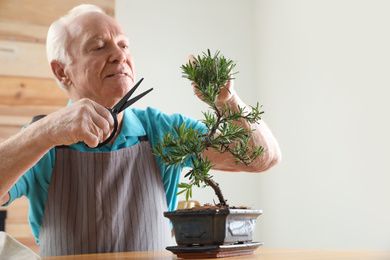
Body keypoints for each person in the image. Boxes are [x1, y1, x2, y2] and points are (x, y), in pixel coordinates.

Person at [0, 4, 281, 257]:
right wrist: (44, 132)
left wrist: (228, 100)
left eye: (124, 45)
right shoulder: (42, 140)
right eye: (99, 47)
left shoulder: (162, 130)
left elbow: (260, 158)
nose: (119, 56)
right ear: (62, 71)